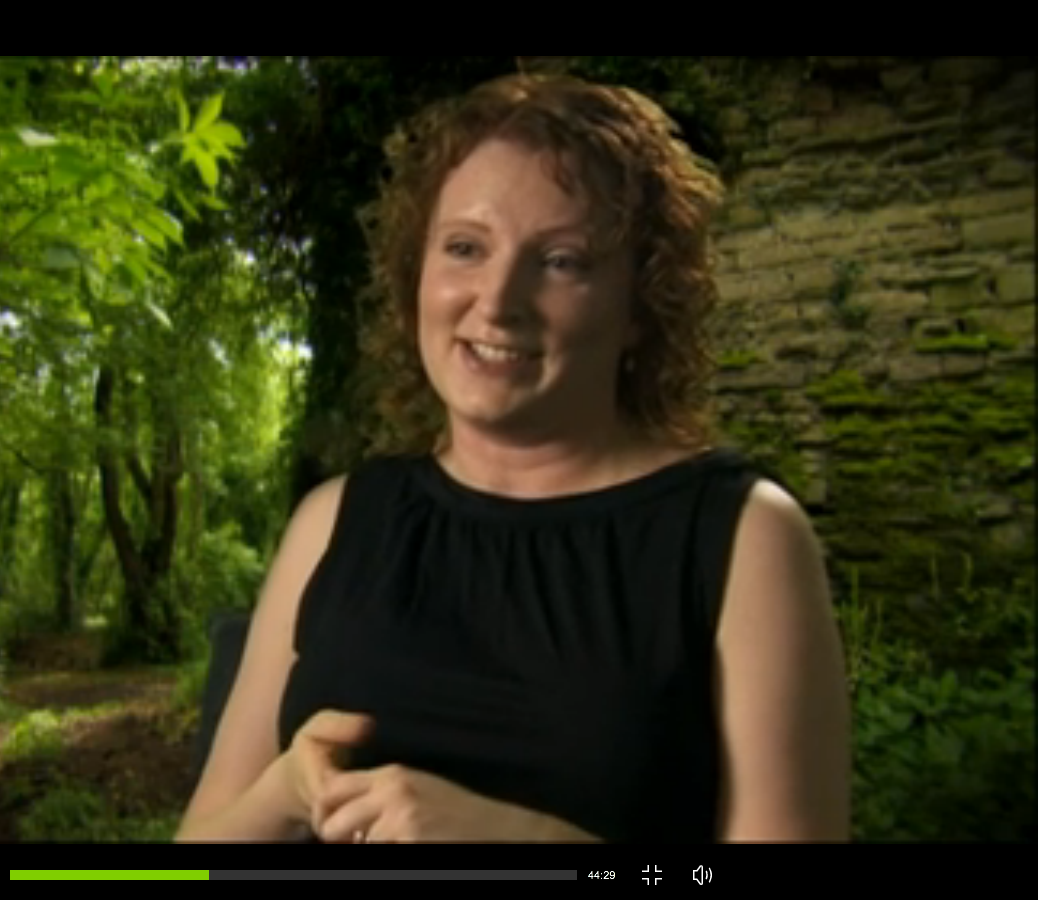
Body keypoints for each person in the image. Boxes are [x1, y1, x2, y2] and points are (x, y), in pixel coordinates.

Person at [175, 72, 850, 843]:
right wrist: (282, 792)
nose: (496, 301)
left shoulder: (741, 535)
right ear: (415, 275)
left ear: (640, 302)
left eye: (560, 260)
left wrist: (521, 840)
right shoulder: (332, 521)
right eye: (464, 248)